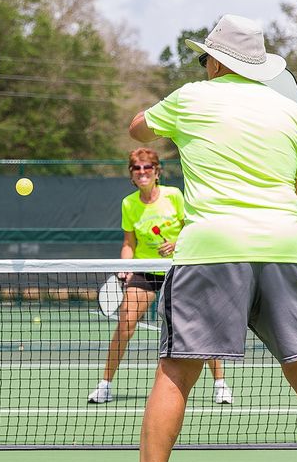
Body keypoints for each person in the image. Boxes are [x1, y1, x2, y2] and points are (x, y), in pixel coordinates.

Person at [106, 14, 297, 462]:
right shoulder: (294, 116)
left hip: (211, 251)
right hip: (285, 249)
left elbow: (137, 128)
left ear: (219, 61)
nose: (202, 65)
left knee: (176, 372)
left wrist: (172, 120)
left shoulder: (190, 98)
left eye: (205, 57)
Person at [88, 147, 232, 406]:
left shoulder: (173, 196)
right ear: (131, 175)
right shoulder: (129, 204)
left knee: (200, 326)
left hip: (179, 267)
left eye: (147, 168)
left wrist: (177, 243)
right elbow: (128, 243)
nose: (142, 172)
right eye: (137, 169)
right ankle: (105, 385)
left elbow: (194, 227)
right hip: (146, 270)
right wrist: (125, 265)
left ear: (157, 172)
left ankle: (220, 385)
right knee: (125, 323)